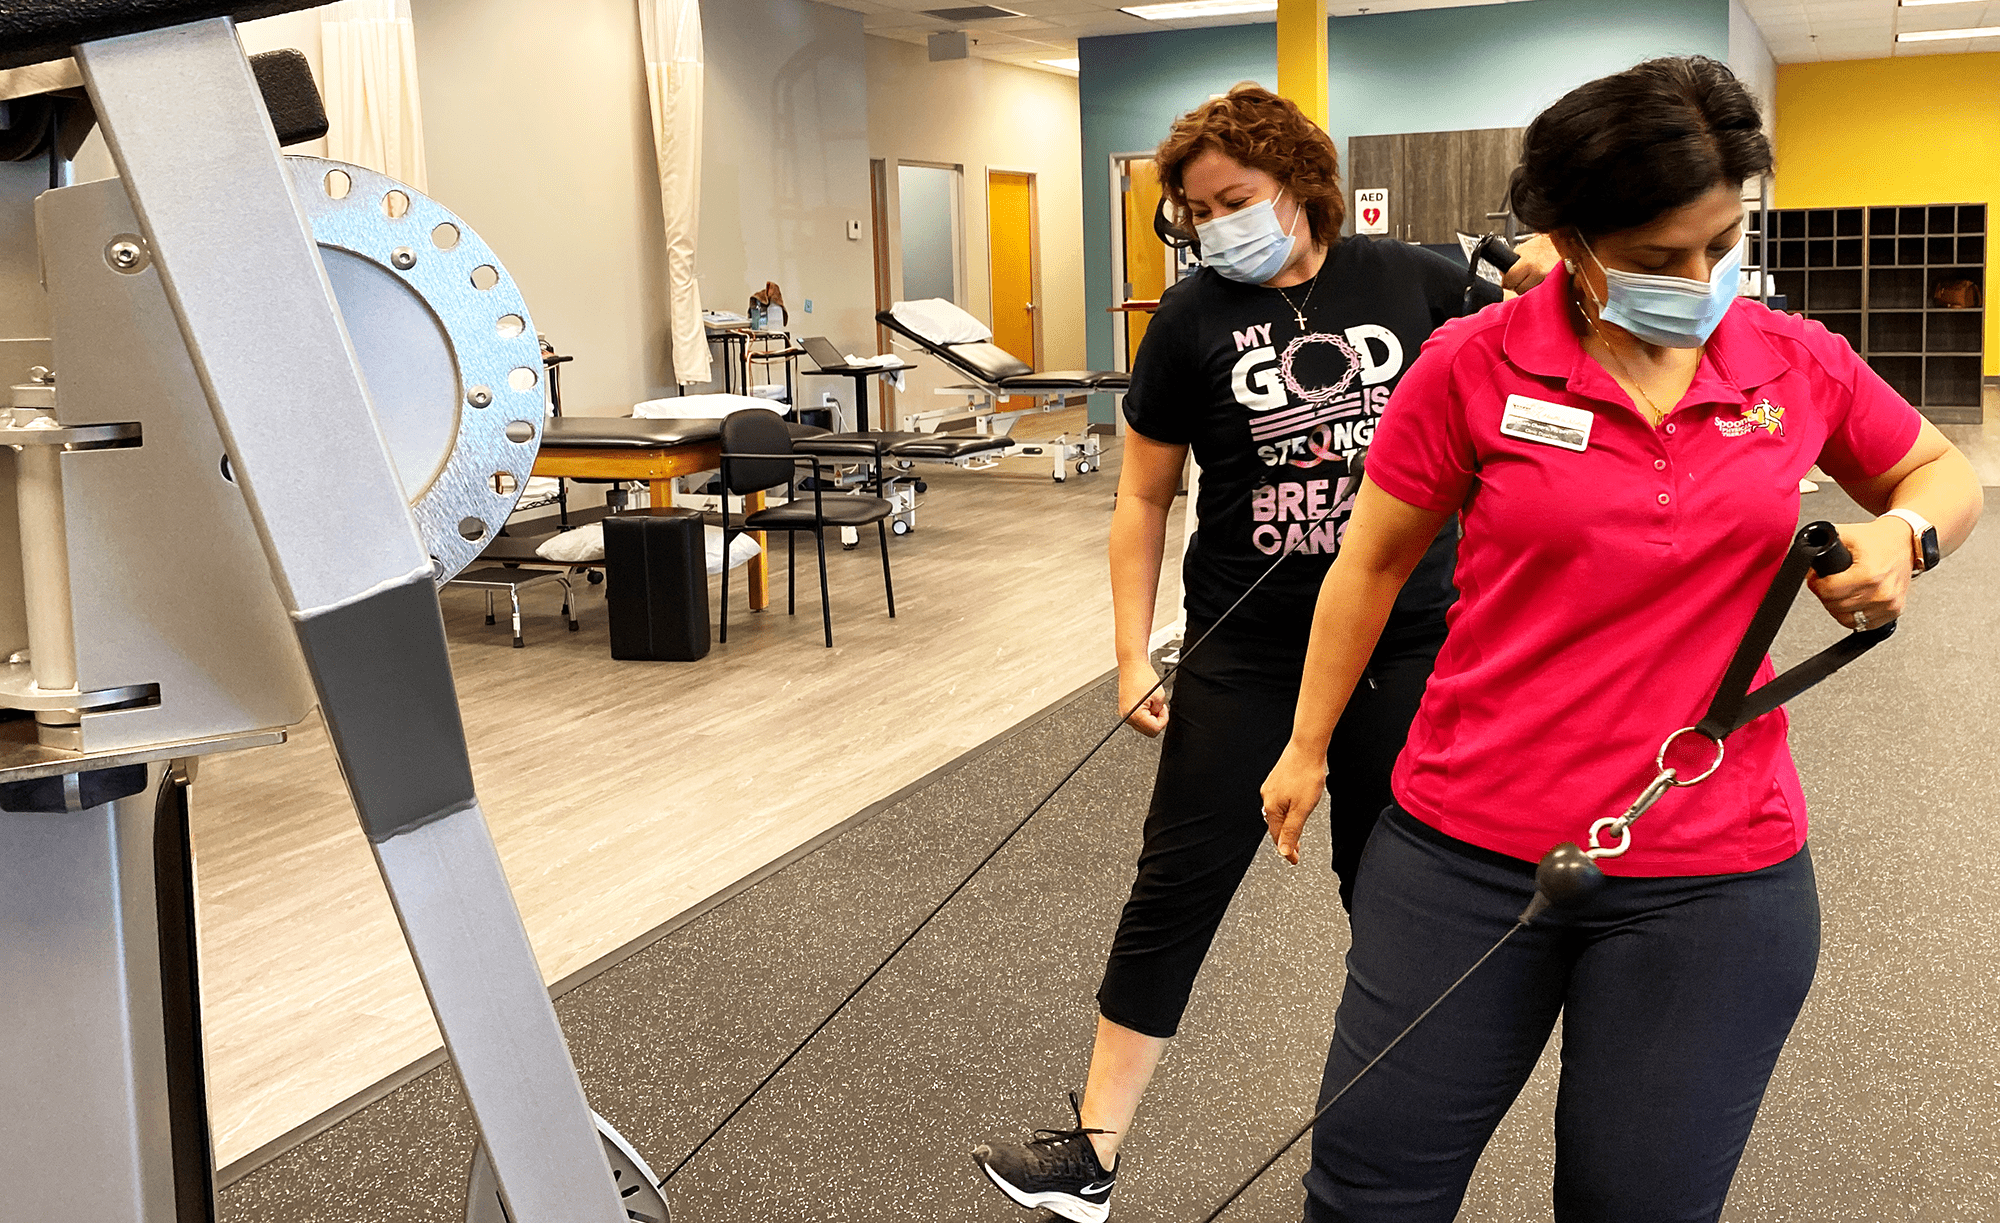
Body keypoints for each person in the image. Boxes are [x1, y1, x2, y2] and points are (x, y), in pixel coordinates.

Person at [1258, 56, 1982, 1222]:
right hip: (1463, 848)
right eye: (1656, 257)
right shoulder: (1469, 366)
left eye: (1719, 244)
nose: (1699, 281)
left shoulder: (1789, 360)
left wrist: (1904, 537)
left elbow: (1938, 469)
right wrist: (1305, 743)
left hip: (1713, 869)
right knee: (1367, 1193)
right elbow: (1371, 563)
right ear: (1568, 240)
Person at [970, 84, 1556, 1223]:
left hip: (1405, 643)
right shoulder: (1190, 318)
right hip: (1243, 647)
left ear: (1300, 183)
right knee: (1175, 883)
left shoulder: (1419, 283)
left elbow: (1553, 353)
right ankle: (1090, 1153)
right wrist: (1129, 652)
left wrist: (1553, 270)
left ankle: (1379, 1158)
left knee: (1394, 896)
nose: (1214, 226)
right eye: (1196, 211)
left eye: (1233, 200)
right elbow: (1143, 496)